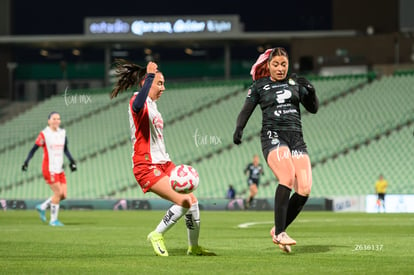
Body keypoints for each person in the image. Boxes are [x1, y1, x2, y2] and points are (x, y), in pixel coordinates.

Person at [110, 59, 215, 257]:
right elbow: (139, 105)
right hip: (146, 165)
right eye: (160, 83)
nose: (163, 88)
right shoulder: (137, 101)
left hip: (164, 162)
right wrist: (150, 76)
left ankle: (193, 247)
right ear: (146, 84)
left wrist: (152, 79)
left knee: (192, 200)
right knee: (184, 201)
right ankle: (156, 234)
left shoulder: (154, 106)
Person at [233, 47, 319, 253]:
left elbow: (313, 108)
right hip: (273, 136)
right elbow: (246, 110)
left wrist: (312, 91)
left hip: (296, 139)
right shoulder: (259, 86)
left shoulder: (295, 83)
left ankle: (277, 230)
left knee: (305, 189)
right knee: (287, 177)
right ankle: (281, 233)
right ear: (268, 66)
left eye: (283, 64)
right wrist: (239, 128)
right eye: (276, 64)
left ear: (288, 65)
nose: (280, 68)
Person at [22, 112, 77, 226]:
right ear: (49, 121)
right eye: (54, 119)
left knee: (63, 195)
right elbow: (34, 149)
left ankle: (42, 206)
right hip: (49, 168)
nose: (56, 121)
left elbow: (65, 149)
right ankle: (53, 220)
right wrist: (26, 161)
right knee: (57, 193)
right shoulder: (44, 134)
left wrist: (72, 161)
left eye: (58, 119)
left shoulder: (62, 133)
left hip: (59, 169)